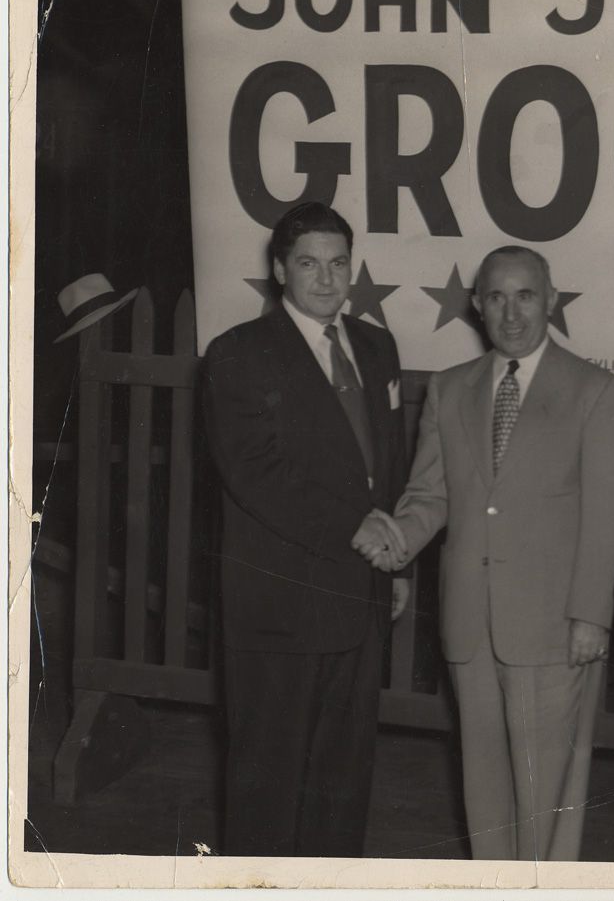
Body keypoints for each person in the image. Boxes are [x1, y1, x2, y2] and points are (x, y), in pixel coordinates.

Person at [380, 245, 614, 861]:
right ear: (477, 306)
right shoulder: (449, 390)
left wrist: (590, 615)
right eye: (497, 297)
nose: (512, 313)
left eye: (526, 296)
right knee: (484, 790)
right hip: (470, 624)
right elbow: (429, 494)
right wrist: (396, 539)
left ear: (551, 300)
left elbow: (611, 516)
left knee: (544, 793)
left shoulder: (596, 392)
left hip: (554, 627)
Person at [201, 201, 409, 857]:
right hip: (281, 610)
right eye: (309, 263)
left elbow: (389, 465)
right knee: (270, 789)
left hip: (361, 598)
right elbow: (254, 473)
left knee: (342, 788)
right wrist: (359, 527)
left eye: (339, 262)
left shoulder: (376, 347)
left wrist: (396, 560)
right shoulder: (238, 353)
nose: (326, 278)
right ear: (280, 269)